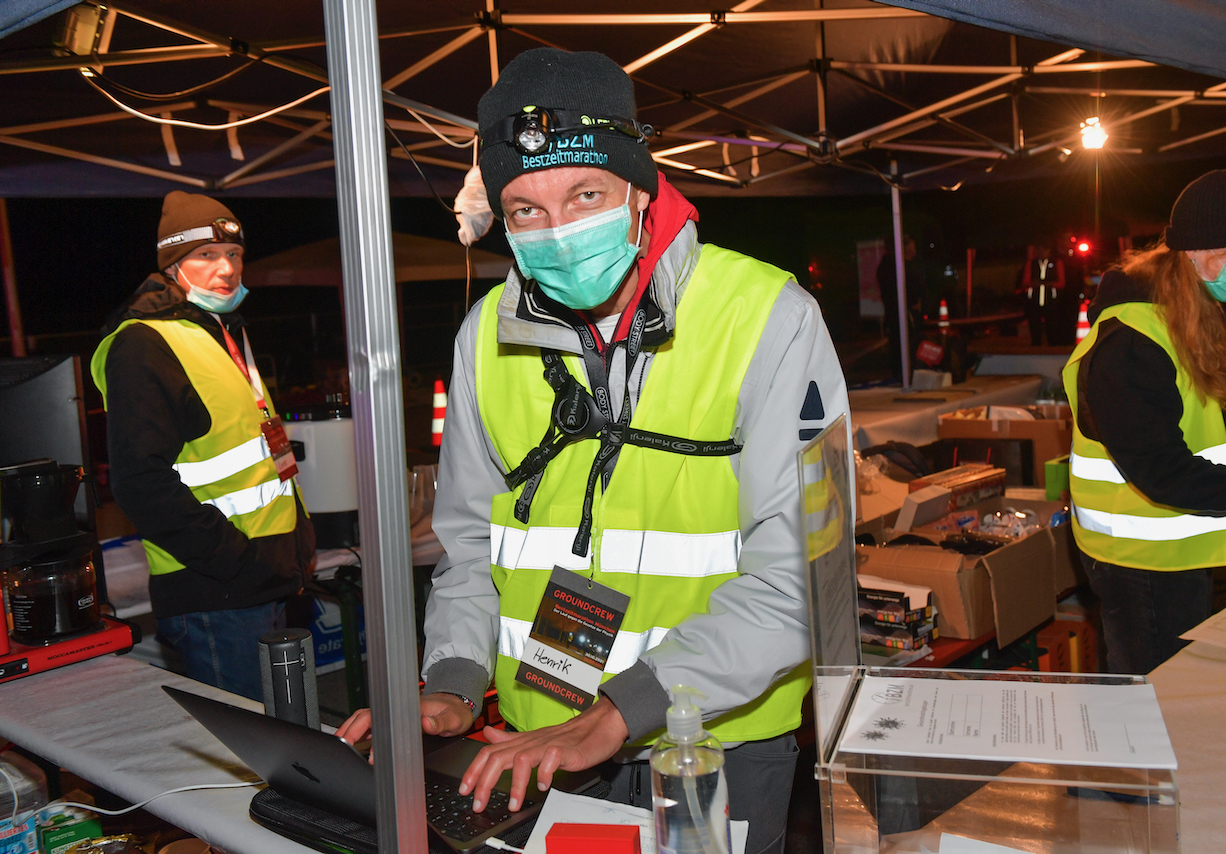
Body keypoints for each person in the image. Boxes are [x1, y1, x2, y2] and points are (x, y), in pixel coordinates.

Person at [336, 48, 848, 854]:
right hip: (541, 744)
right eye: (525, 209)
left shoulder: (769, 318)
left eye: (586, 194)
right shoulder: (483, 338)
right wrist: (452, 684)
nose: (560, 229)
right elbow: (470, 545)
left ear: (640, 192)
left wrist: (618, 715)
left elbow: (800, 577)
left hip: (711, 738)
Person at [90, 191, 315, 701]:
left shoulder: (219, 328)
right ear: (172, 265)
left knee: (281, 751)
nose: (226, 269)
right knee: (244, 759)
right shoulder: (145, 342)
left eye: (233, 254)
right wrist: (236, 561)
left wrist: (294, 544)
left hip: (262, 581)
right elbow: (140, 481)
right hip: (217, 594)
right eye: (206, 255)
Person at [1063, 168, 1226, 675]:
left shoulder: (1196, 312)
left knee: (1182, 700)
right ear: (1196, 250)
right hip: (1140, 562)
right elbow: (1161, 470)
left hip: (1180, 546)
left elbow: (1215, 421)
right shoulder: (1130, 341)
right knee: (1154, 709)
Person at [877, 234, 924, 382]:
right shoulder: (896, 267)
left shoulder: (897, 265)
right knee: (904, 344)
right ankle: (904, 374)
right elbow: (901, 289)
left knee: (902, 344)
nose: (915, 250)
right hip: (903, 313)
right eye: (912, 247)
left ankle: (903, 373)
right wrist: (912, 303)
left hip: (900, 313)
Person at [1017, 242, 1066, 346]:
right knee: (1035, 328)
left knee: (1052, 328)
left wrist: (1048, 284)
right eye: (1039, 249)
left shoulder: (1056, 263)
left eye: (1043, 249)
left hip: (1051, 301)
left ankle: (1053, 349)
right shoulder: (1031, 263)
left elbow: (1061, 283)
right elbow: (1025, 282)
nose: (1041, 252)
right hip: (1034, 301)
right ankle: (1036, 348)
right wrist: (1034, 284)